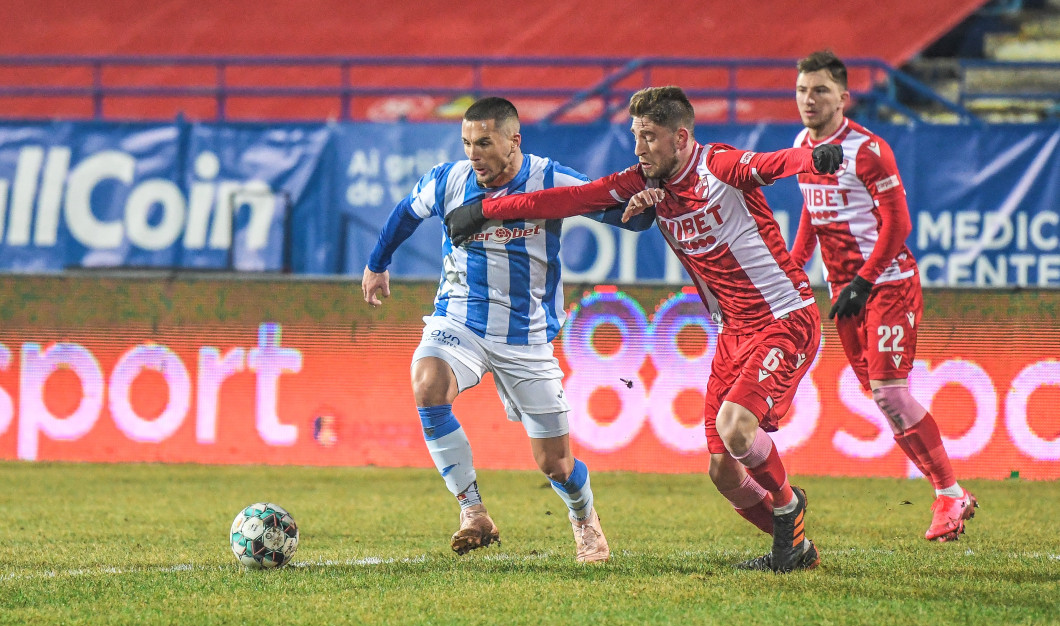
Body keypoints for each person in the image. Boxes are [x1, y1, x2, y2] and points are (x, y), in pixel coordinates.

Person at [445, 86, 844, 573]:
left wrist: (813, 157)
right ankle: (796, 547)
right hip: (733, 332)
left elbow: (769, 162)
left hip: (784, 318)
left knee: (736, 429)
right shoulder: (642, 181)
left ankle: (788, 510)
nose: (638, 148)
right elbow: (567, 199)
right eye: (635, 135)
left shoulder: (717, 165)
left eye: (649, 137)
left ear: (680, 137)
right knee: (722, 471)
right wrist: (485, 211)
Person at [362, 96, 653, 563]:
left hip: (527, 336)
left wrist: (640, 206)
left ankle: (585, 521)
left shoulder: (550, 179)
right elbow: (405, 213)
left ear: (514, 141)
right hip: (461, 319)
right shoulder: (448, 180)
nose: (472, 154)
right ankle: (472, 510)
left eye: (483, 143)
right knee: (428, 383)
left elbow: (616, 211)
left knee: (555, 464)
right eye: (466, 143)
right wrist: (377, 264)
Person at [790, 50, 978, 542]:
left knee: (890, 390)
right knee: (884, 398)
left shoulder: (869, 150)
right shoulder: (800, 146)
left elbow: (899, 223)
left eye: (821, 91)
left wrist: (864, 281)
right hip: (844, 294)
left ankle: (948, 492)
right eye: (803, 90)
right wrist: (793, 266)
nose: (809, 100)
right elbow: (812, 212)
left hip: (886, 284)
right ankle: (949, 493)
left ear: (844, 98)